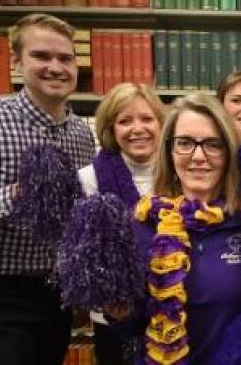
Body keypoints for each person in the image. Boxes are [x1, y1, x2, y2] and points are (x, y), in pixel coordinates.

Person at [128, 93, 241, 363]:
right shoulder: (142, 223)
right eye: (185, 143)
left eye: (213, 145)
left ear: (228, 152)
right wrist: (119, 312)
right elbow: (130, 327)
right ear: (169, 150)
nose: (199, 156)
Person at [0, 13, 96, 364]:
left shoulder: (82, 134)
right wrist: (18, 195)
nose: (56, 67)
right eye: (41, 56)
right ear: (16, 62)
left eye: (65, 58)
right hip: (2, 293)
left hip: (58, 294)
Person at [76, 82, 166, 365]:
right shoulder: (88, 179)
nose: (137, 128)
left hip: (172, 311)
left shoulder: (180, 174)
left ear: (162, 124)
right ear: (110, 128)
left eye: (147, 119)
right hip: (112, 317)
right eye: (124, 121)